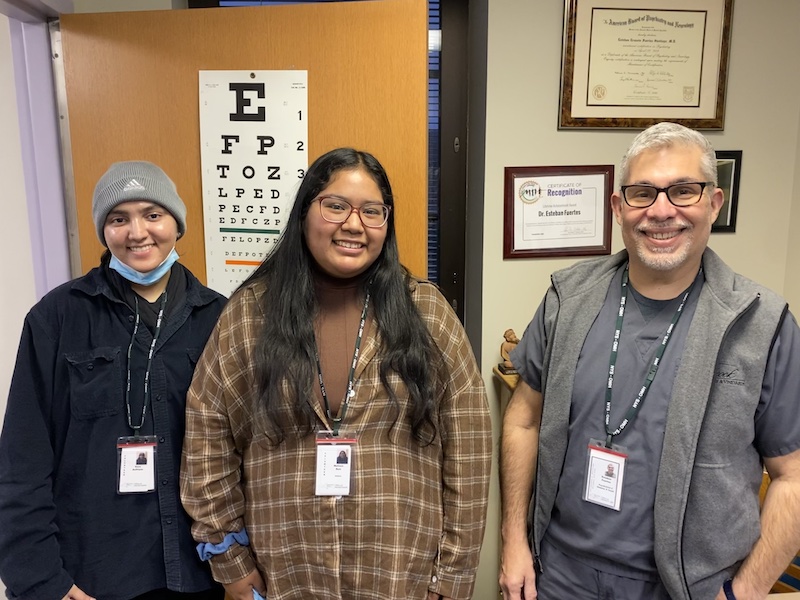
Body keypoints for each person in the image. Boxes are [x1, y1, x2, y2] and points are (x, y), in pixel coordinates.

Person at [499, 122, 800, 600]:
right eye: (642, 193)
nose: (661, 211)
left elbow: (792, 477)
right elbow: (522, 420)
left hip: (686, 588)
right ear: (619, 208)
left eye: (683, 191)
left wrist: (744, 592)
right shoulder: (567, 299)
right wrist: (514, 541)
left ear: (714, 203)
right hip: (560, 575)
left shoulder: (762, 326)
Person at [180, 148, 491, 600]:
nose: (353, 224)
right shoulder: (249, 315)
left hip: (402, 575)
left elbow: (470, 451)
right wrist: (231, 564)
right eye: (336, 205)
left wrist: (454, 578)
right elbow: (207, 435)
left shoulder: (428, 314)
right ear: (305, 213)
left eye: (372, 211)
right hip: (284, 573)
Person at [0, 161, 227, 600]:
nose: (137, 232)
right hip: (91, 579)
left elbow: (242, 455)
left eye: (152, 214)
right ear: (103, 231)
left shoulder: (219, 319)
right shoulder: (57, 318)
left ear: (176, 224)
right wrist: (43, 580)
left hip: (200, 572)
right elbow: (22, 460)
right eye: (118, 219)